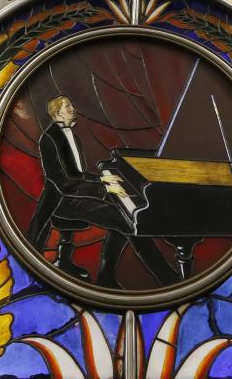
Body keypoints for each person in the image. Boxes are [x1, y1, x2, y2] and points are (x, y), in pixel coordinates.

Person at [26, 95, 178, 287]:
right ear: (57, 113)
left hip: (76, 194)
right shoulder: (49, 139)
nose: (73, 109)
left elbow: (78, 175)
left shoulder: (74, 136)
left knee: (124, 217)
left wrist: (103, 179)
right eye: (68, 107)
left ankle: (107, 277)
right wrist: (102, 187)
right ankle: (166, 278)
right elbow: (62, 182)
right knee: (128, 222)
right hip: (63, 200)